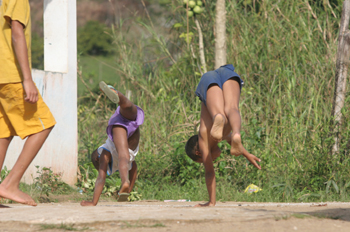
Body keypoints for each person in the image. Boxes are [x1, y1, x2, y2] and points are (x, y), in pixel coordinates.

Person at [0, 0, 56, 206]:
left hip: (1, 77)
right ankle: (10, 184)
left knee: (3, 134)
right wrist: (27, 79)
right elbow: (17, 33)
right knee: (44, 124)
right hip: (12, 77)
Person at [185, 64, 261, 207]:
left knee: (222, 114)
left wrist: (211, 202)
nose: (210, 161)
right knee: (232, 108)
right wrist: (247, 154)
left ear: (198, 153)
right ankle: (234, 129)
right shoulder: (223, 136)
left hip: (210, 80)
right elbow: (231, 139)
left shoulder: (204, 142)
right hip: (223, 73)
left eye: (202, 160)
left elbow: (209, 172)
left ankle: (218, 117)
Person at [80, 81, 144, 206]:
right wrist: (127, 192)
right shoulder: (108, 156)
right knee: (128, 107)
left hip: (122, 130)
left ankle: (124, 181)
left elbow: (101, 179)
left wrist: (94, 202)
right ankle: (117, 94)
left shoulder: (104, 153)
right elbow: (134, 168)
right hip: (129, 129)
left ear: (98, 158)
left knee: (123, 157)